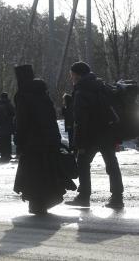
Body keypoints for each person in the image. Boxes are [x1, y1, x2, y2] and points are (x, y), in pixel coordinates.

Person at [65, 61, 124, 209]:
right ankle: (117, 198)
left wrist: (79, 143)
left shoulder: (81, 91)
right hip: (107, 132)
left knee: (83, 164)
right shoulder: (101, 86)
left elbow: (80, 120)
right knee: (112, 164)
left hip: (90, 135)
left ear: (78, 75)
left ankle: (84, 196)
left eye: (72, 75)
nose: (71, 78)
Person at [13, 65, 68, 215]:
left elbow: (22, 120)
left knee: (33, 173)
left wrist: (19, 139)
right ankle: (44, 201)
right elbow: (51, 117)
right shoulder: (43, 93)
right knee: (46, 170)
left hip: (32, 141)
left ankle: (37, 203)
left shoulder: (22, 94)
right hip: (48, 138)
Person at [0, 92, 15, 161]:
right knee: (7, 140)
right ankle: (8, 154)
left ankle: (2, 154)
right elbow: (13, 113)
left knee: (1, 140)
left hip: (0, 127)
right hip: (7, 126)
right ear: (7, 97)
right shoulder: (8, 104)